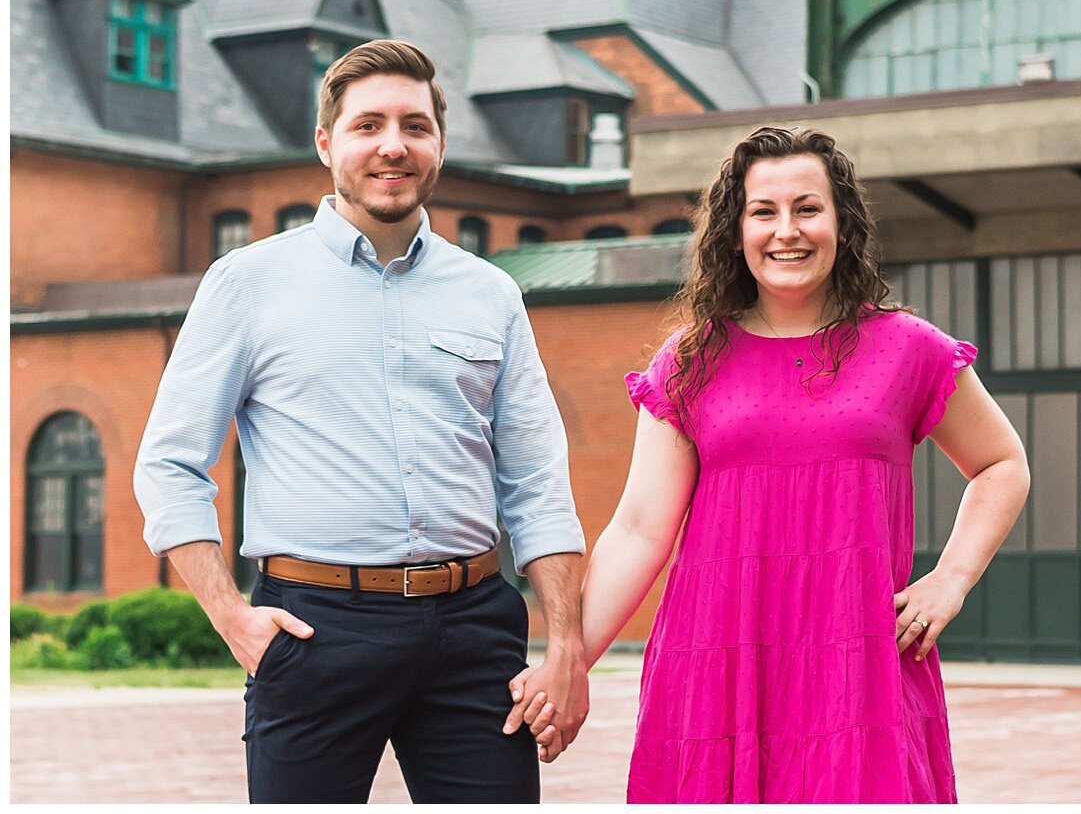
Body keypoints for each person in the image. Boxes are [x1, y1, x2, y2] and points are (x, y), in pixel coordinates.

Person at [133, 39, 588, 803]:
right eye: (367, 124)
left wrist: (566, 645)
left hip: (475, 630)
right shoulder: (248, 283)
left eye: (414, 125)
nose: (393, 145)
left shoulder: (491, 294)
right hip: (315, 632)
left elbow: (537, 479)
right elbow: (170, 463)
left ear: (438, 143)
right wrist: (232, 617)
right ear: (326, 142)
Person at [551, 125, 1030, 802]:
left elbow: (1002, 463)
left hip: (859, 669)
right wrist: (568, 661)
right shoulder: (690, 361)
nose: (787, 231)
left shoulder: (909, 349)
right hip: (717, 672)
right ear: (735, 229)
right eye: (763, 211)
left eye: (808, 207)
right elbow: (637, 529)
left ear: (841, 220)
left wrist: (950, 579)